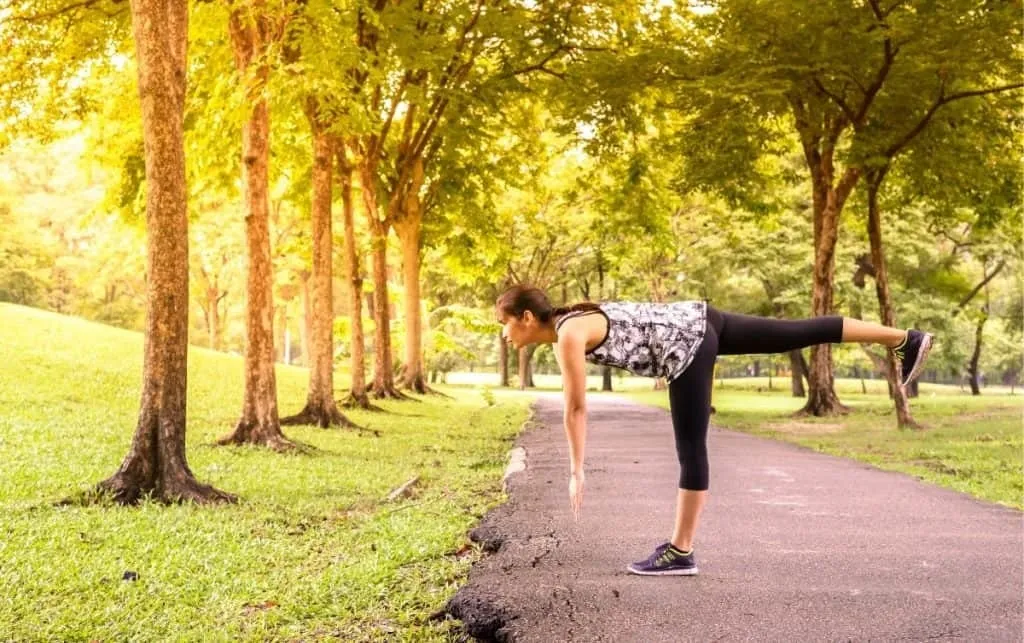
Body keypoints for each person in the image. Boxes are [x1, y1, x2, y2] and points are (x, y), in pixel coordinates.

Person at [494, 284, 934, 577]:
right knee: (793, 332)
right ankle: (903, 338)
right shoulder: (574, 316)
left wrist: (576, 469)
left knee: (690, 448)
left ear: (527, 317)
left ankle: (680, 552)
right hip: (703, 319)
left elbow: (575, 408)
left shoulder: (569, 334)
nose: (503, 335)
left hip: (686, 346)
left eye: (504, 324)